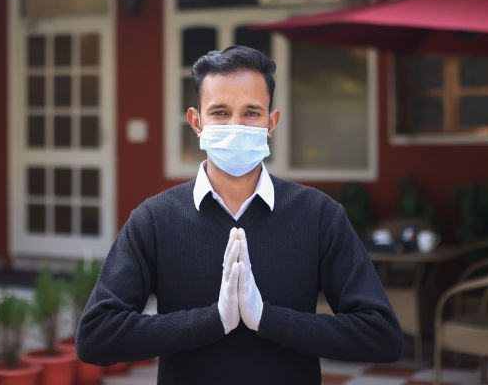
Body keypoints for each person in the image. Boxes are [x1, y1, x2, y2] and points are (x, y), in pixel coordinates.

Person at [76, 45, 403, 384]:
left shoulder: (318, 216)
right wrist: (213, 320)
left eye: (251, 113)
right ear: (196, 122)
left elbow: (381, 334)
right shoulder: (155, 219)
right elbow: (97, 336)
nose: (235, 125)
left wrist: (267, 318)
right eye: (219, 112)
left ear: (271, 122)